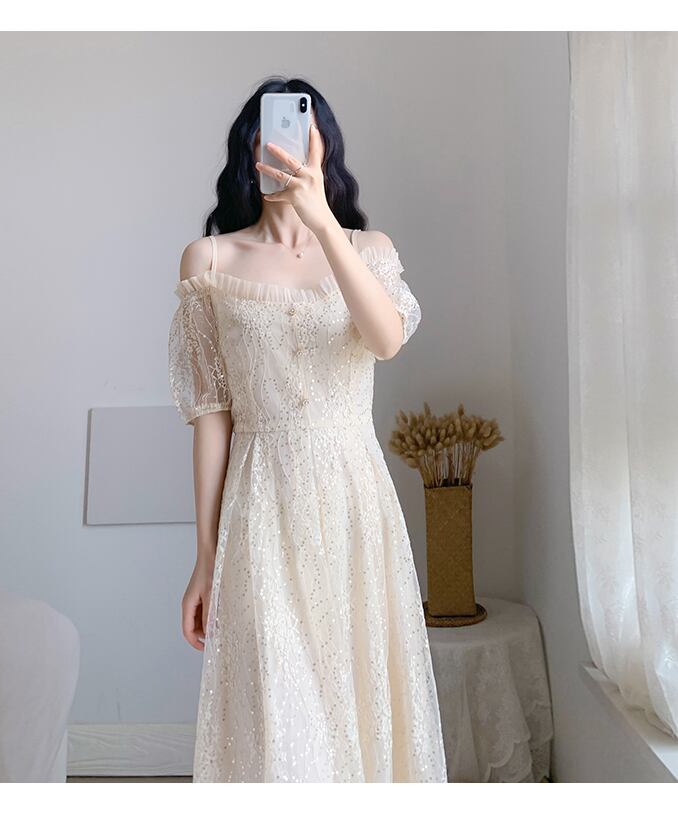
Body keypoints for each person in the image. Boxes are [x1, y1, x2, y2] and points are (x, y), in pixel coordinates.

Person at [168, 77, 447, 783]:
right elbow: (211, 416)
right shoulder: (209, 260)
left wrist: (322, 222)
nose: (283, 150)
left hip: (354, 504)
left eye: (299, 134)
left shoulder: (367, 248)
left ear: (324, 148)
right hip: (259, 508)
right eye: (268, 136)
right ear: (249, 150)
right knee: (277, 707)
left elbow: (386, 340)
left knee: (360, 698)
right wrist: (204, 555)